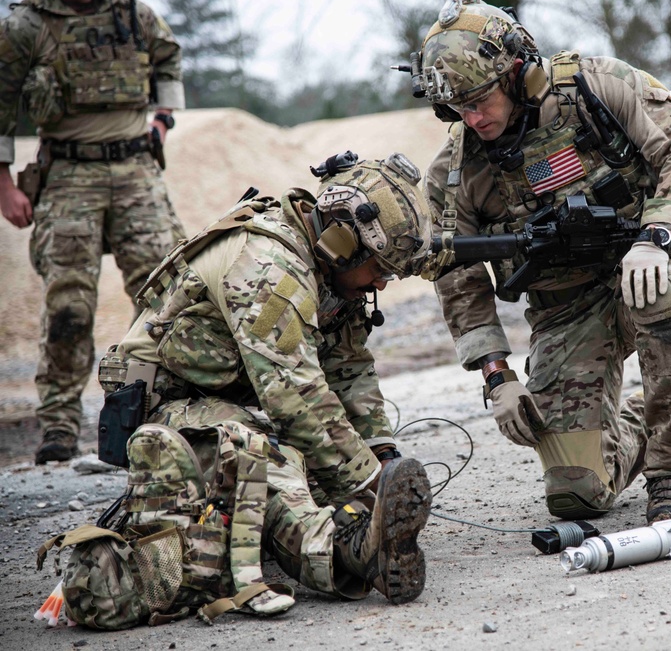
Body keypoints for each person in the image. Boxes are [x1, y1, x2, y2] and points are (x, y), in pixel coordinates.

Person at [412, 0, 671, 524]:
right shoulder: (457, 169)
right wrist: (497, 375)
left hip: (651, 267)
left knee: (660, 290)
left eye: (479, 100)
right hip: (565, 312)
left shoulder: (596, 89)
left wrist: (655, 236)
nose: (471, 117)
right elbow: (456, 275)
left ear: (517, 73)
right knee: (576, 496)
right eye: (454, 108)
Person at [78, 152, 435, 620]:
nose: (383, 285)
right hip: (171, 413)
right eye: (380, 270)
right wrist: (368, 481)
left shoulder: (330, 272)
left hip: (232, 403)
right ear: (343, 240)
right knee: (263, 460)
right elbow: (296, 400)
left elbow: (348, 368)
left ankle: (342, 532)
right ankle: (346, 552)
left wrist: (381, 458)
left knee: (309, 468)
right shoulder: (270, 267)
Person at [0, 0, 186, 464]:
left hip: (136, 172)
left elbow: (168, 58)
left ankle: (153, 410)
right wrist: (5, 185)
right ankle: (59, 425)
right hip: (66, 174)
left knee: (168, 294)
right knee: (69, 306)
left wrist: (162, 120)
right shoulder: (26, 26)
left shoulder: (134, 14)